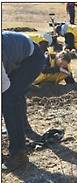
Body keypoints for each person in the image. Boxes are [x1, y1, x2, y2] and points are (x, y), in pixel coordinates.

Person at [1, 31, 47, 171]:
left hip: (32, 58)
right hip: (16, 53)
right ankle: (23, 129)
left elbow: (4, 88)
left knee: (9, 100)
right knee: (14, 96)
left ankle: (18, 153)